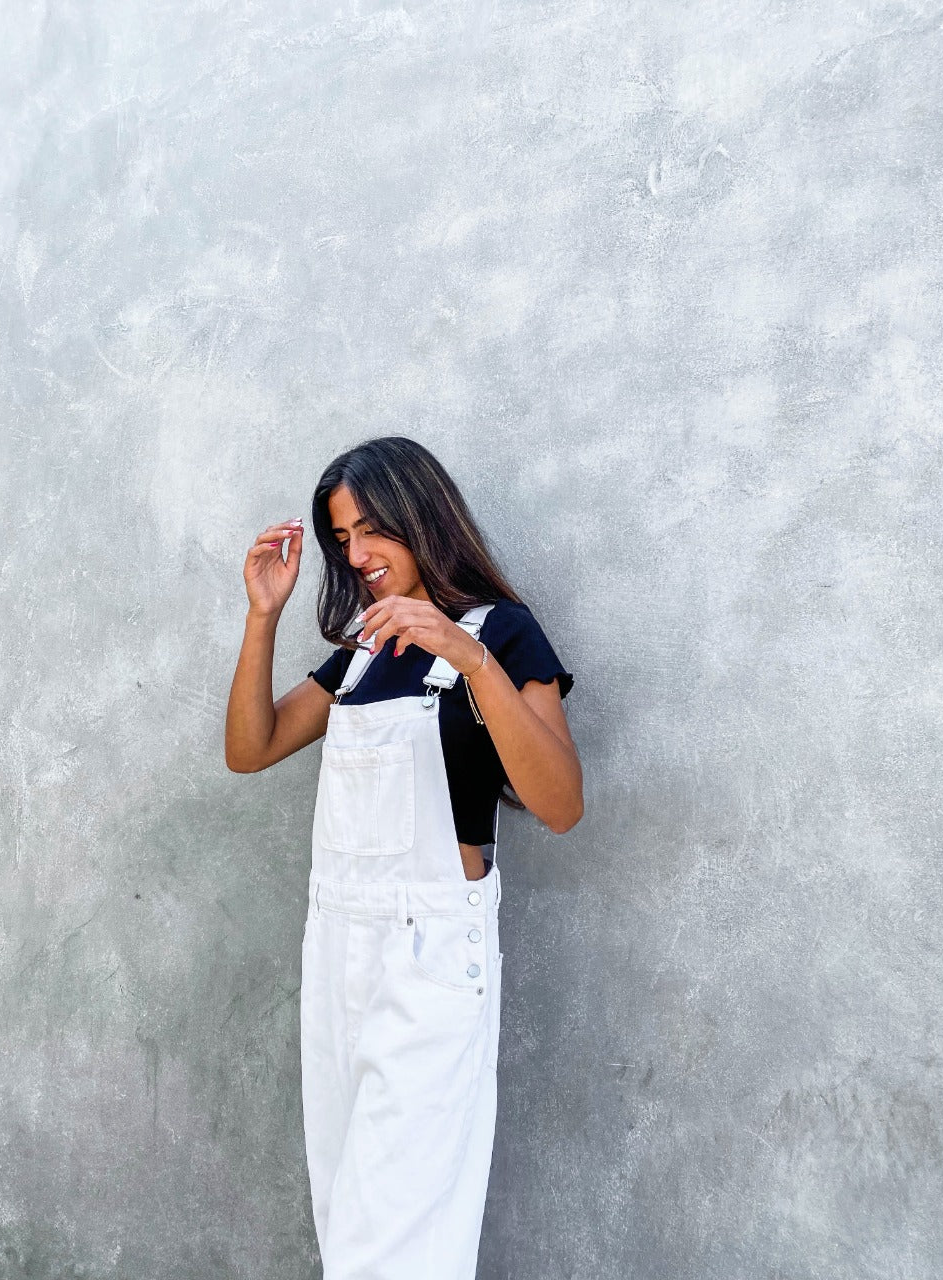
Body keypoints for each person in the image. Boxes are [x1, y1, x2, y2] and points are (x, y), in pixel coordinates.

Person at [224, 435, 583, 1279]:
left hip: (428, 960)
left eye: (370, 530)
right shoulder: (360, 652)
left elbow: (559, 804)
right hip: (340, 953)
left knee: (390, 1248)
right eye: (343, 539)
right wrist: (262, 616)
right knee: (344, 1216)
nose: (358, 555)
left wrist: (466, 656)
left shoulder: (504, 633)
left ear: (420, 515)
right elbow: (252, 747)